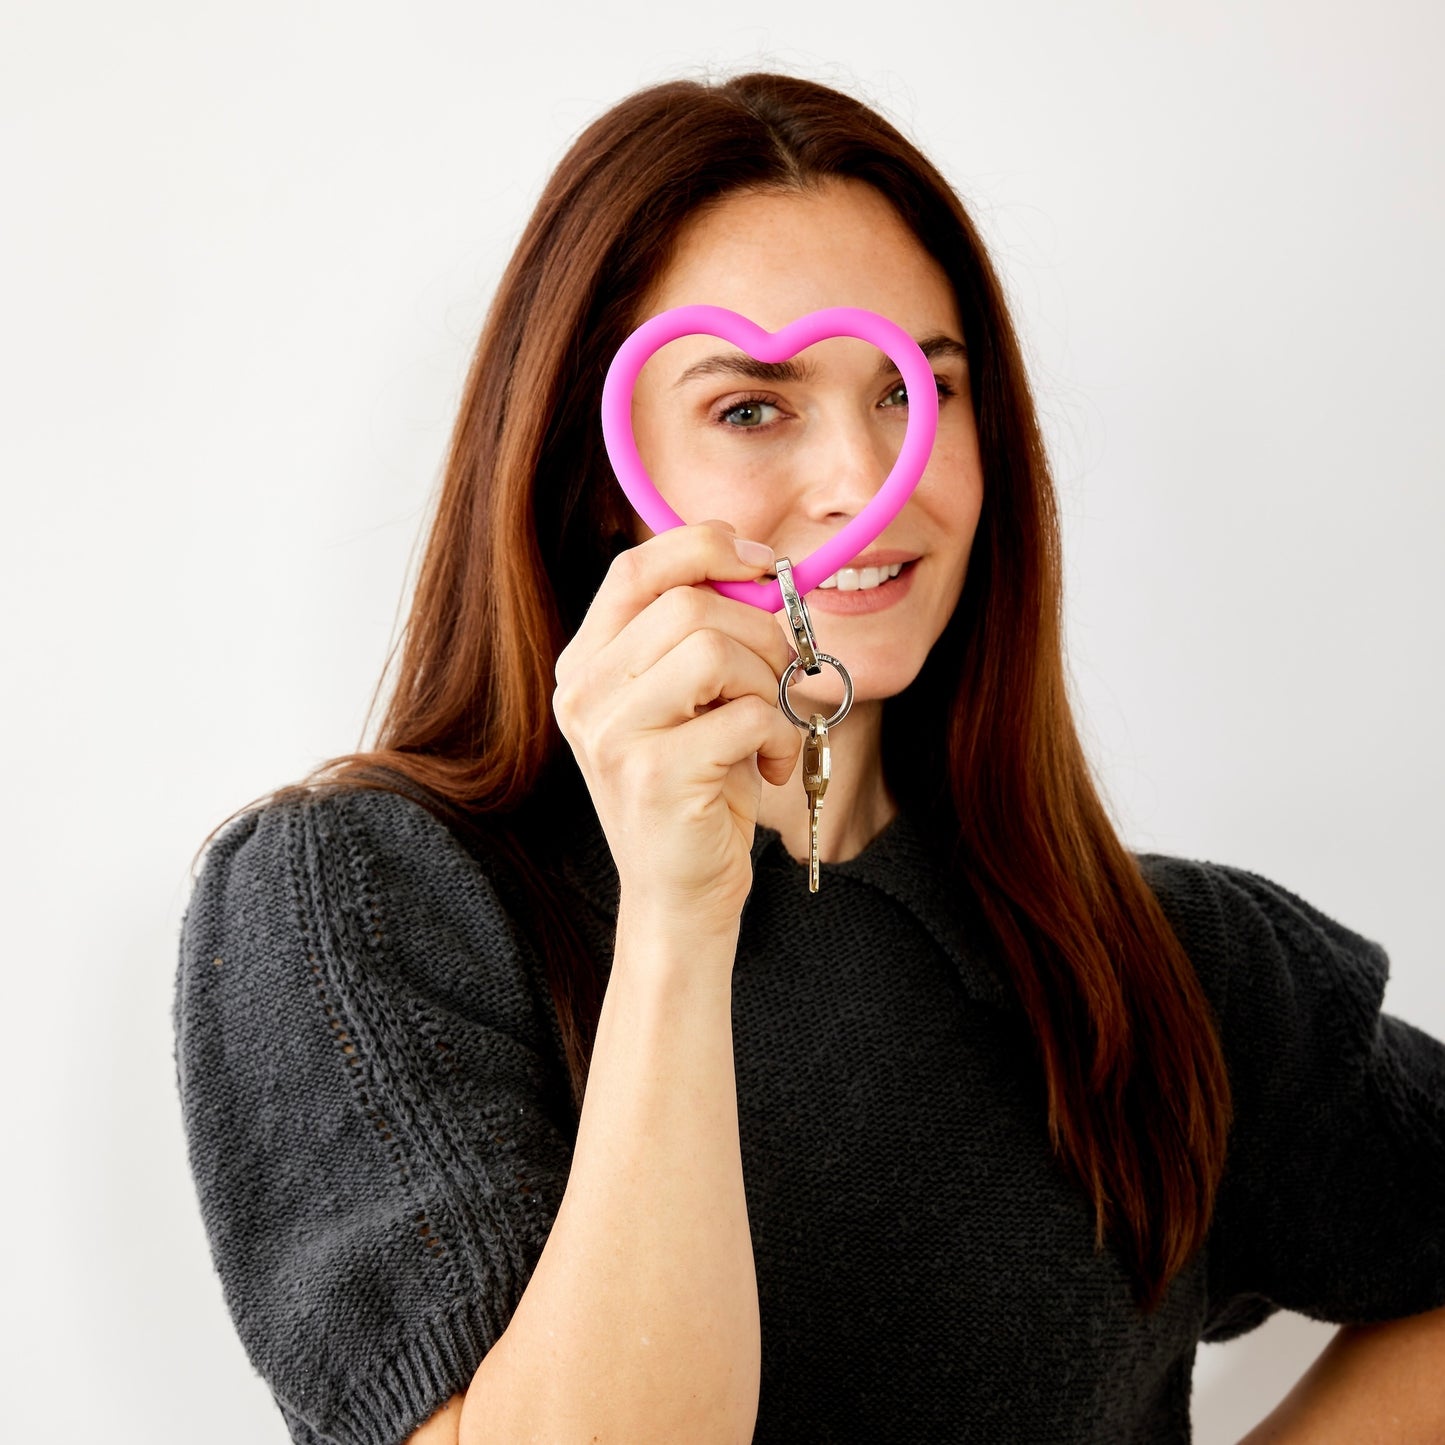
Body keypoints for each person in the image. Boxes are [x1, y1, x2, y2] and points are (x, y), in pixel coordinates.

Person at [172, 72, 1445, 1445]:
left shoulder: (1160, 958)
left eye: (920, 389)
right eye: (751, 408)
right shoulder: (362, 897)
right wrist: (676, 918)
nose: (865, 479)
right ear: (598, 470)